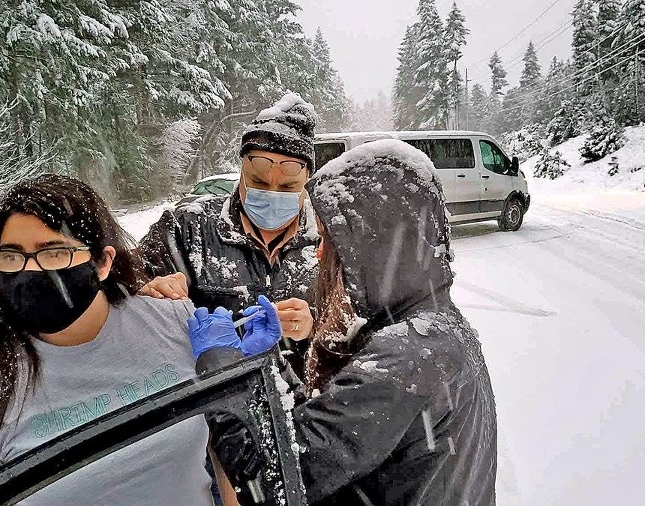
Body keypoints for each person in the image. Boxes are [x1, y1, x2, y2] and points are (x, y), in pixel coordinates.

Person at [0, 174, 279, 504]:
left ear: (102, 262)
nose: (31, 270)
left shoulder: (170, 320)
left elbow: (221, 451)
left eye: (54, 252)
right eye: (12, 255)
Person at [191, 140, 498, 505]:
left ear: (374, 242)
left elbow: (277, 480)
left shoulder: (408, 356)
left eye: (330, 239)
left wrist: (223, 373)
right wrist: (267, 366)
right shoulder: (434, 326)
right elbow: (329, 430)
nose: (319, 252)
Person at [139, 93, 321, 374]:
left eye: (287, 188)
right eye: (258, 182)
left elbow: (356, 327)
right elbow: (116, 290)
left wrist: (315, 324)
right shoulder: (187, 228)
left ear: (306, 179)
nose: (272, 195)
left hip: (300, 405)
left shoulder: (327, 240)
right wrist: (148, 289)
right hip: (213, 402)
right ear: (241, 172)